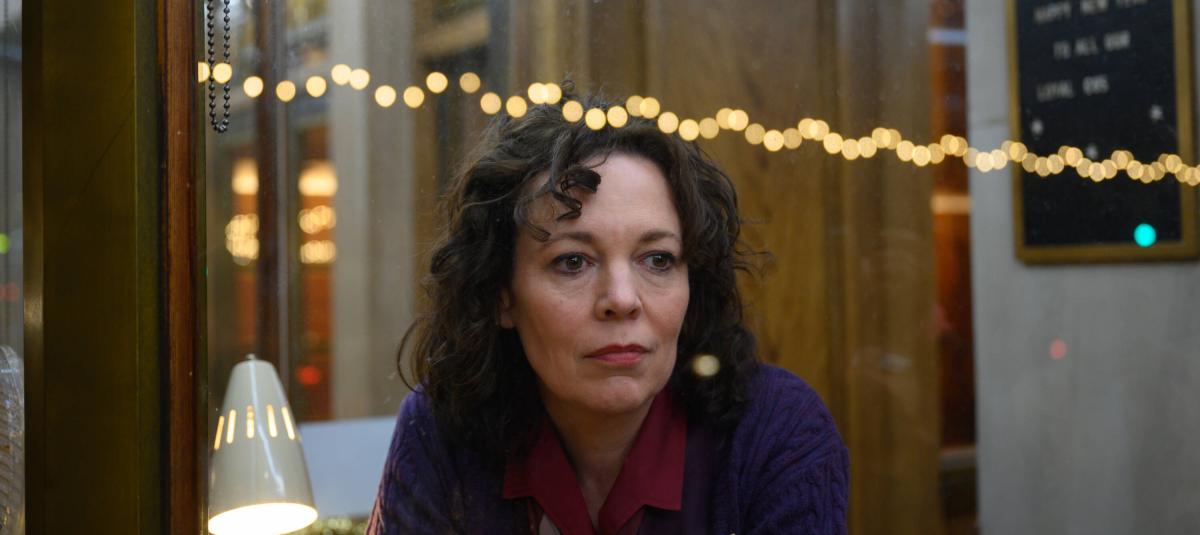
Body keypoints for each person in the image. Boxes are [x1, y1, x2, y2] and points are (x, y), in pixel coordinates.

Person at [367, 90, 848, 534]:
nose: (622, 299)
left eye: (657, 260)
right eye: (572, 262)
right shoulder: (442, 427)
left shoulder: (779, 430)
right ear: (502, 295)